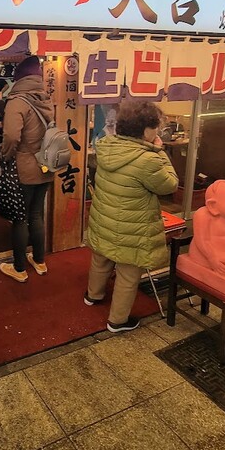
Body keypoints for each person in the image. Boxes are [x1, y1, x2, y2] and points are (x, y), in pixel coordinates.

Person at [84, 100, 179, 332]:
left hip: (105, 216)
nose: (157, 131)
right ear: (146, 130)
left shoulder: (107, 145)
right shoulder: (148, 158)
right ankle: (117, 321)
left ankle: (93, 295)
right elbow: (170, 185)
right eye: (155, 127)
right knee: (128, 271)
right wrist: (160, 150)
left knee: (102, 258)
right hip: (132, 226)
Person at [0, 55, 54, 282]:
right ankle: (39, 261)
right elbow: (36, 130)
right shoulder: (44, 99)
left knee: (20, 218)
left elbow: (12, 136)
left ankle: (19, 269)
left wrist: (5, 155)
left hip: (24, 168)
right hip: (45, 165)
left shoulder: (17, 101)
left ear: (18, 79)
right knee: (36, 214)